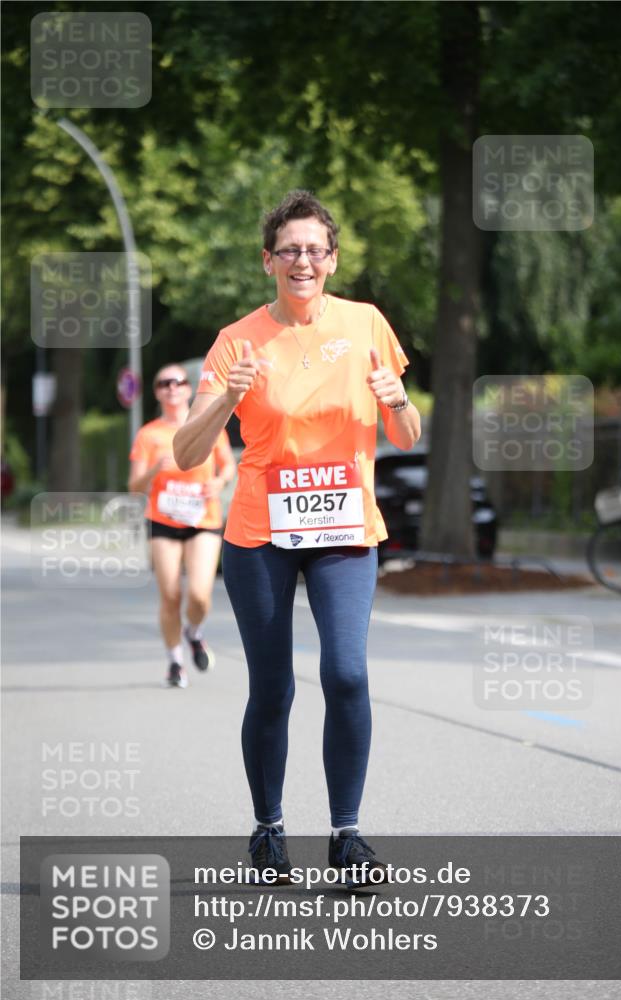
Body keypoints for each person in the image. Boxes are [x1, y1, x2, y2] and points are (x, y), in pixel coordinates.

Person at [174, 190, 420, 883]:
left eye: (315, 249)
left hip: (345, 528)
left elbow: (404, 431)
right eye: (289, 249)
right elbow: (188, 455)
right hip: (258, 534)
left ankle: (347, 838)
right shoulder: (235, 340)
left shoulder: (366, 324)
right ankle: (268, 832)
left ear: (332, 260)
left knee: (346, 673)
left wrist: (396, 398)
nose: (302, 260)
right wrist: (226, 396)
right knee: (273, 686)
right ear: (268, 262)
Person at [129, 364, 236, 688]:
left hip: (203, 518)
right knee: (171, 595)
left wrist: (219, 481)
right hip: (163, 520)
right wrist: (154, 471)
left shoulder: (208, 426)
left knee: (200, 596)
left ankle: (193, 632)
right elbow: (134, 485)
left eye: (178, 382)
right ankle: (175, 661)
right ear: (157, 392)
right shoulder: (149, 434)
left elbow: (228, 464)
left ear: (189, 389)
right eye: (164, 383)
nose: (172, 387)